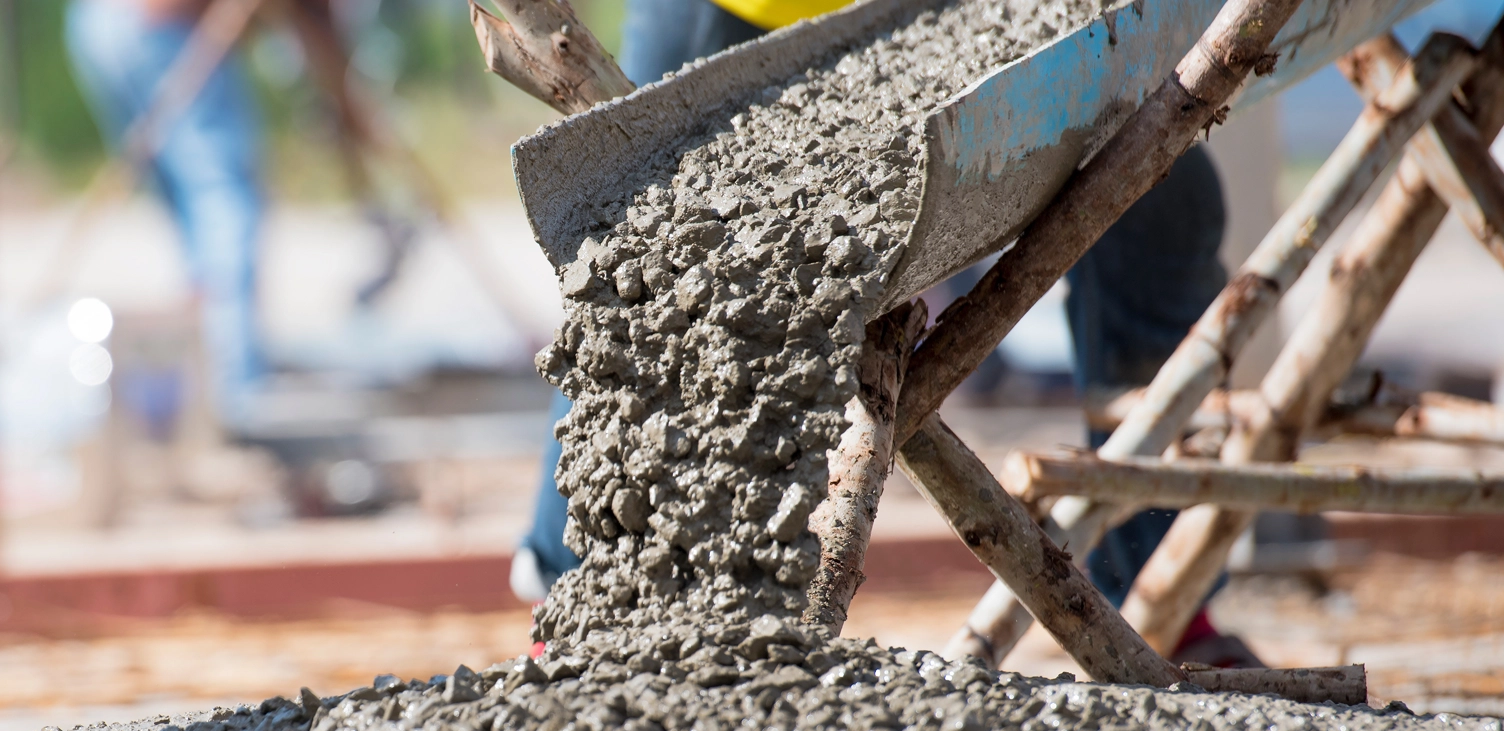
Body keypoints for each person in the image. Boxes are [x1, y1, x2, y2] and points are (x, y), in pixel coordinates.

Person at [511, 0, 1262, 667]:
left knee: (1165, 217)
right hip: (749, 9)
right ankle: (585, 598)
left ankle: (1172, 594)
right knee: (640, 268)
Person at [65, 0, 267, 432]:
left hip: (100, 20)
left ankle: (201, 376)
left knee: (189, 200)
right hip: (158, 20)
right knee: (221, 196)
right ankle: (228, 392)